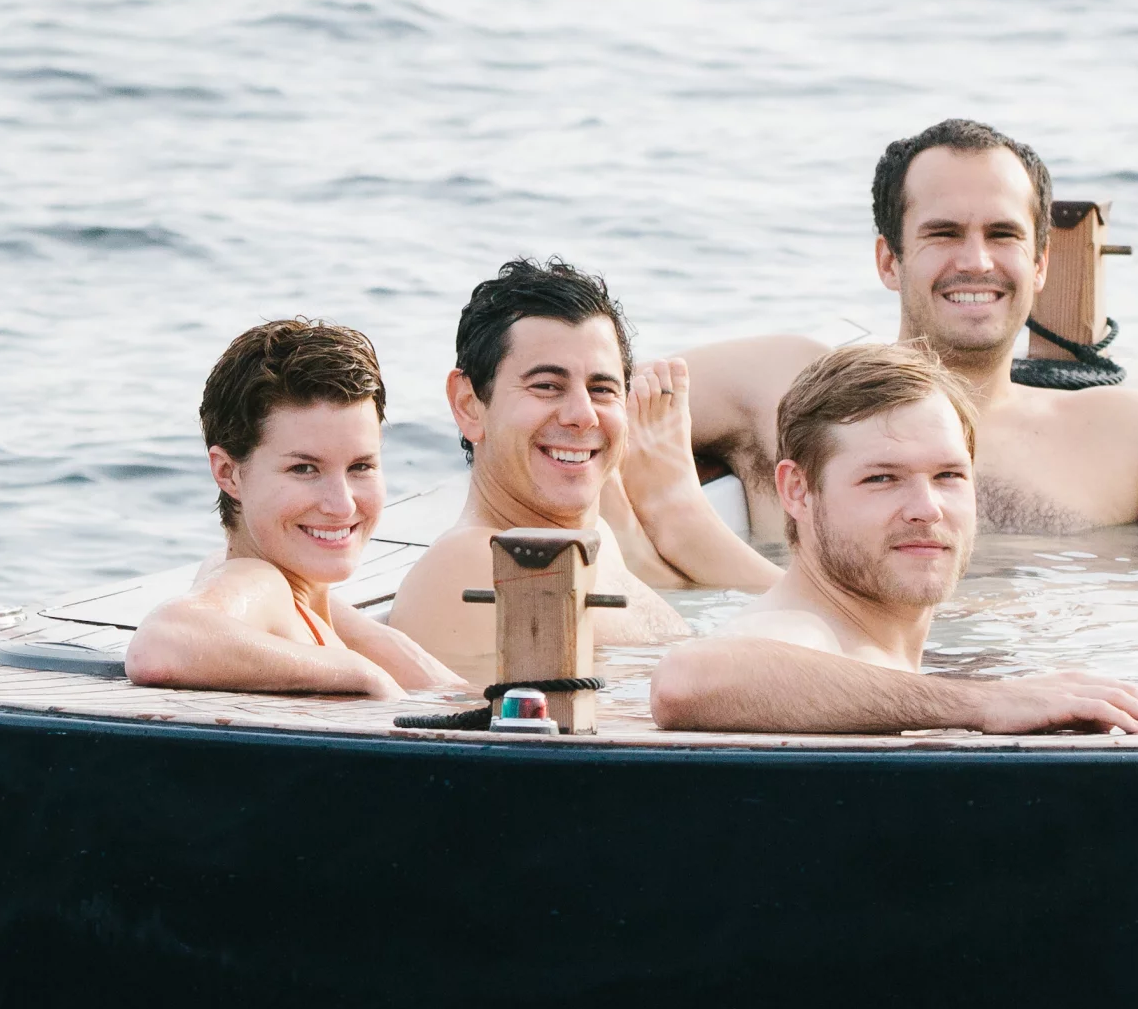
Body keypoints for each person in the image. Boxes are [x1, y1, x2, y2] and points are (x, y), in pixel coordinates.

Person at [674, 118, 1138, 538]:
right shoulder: (782, 383)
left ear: (1040, 264)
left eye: (1003, 234)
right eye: (944, 233)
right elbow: (587, 408)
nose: (977, 261)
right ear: (888, 260)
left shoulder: (1119, 436)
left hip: (1038, 718)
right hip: (835, 705)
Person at [649, 343, 1138, 735]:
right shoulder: (806, 630)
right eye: (882, 478)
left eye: (949, 476)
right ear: (797, 490)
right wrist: (982, 704)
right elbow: (689, 680)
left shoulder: (876, 661)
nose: (927, 509)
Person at [387, 259, 778, 683]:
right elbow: (517, 740)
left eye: (602, 389)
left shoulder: (588, 542)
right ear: (468, 405)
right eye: (547, 386)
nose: (583, 415)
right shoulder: (484, 566)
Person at [126, 320, 467, 699]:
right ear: (228, 473)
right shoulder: (258, 580)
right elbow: (161, 644)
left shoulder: (306, 600)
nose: (342, 505)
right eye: (304, 469)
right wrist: (361, 673)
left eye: (360, 466)